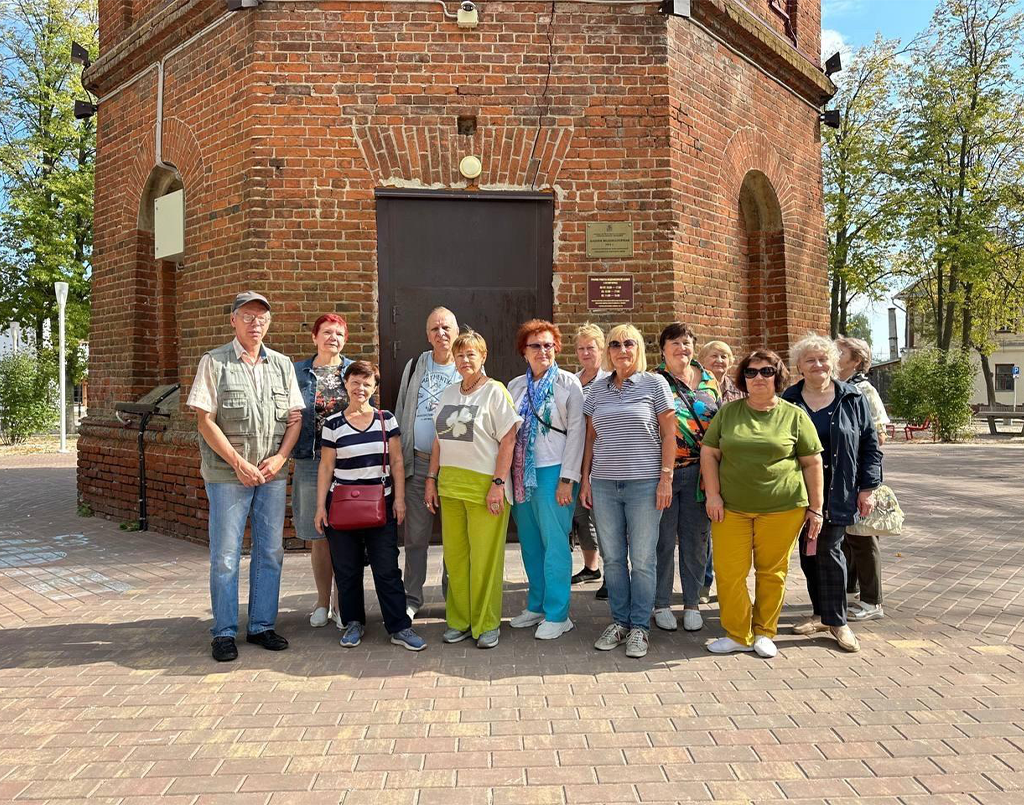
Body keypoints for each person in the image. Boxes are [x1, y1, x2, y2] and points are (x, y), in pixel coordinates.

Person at [187, 291, 304, 663]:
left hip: (271, 473)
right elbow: (204, 420)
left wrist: (281, 457)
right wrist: (238, 462)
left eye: (262, 318)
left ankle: (261, 626)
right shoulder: (214, 362)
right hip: (227, 475)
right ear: (233, 321)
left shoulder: (283, 364)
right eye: (248, 316)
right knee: (225, 555)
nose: (256, 323)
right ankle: (223, 632)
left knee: (270, 551)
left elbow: (295, 418)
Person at [700, 349, 824, 659]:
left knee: (772, 572)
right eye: (752, 372)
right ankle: (738, 633)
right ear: (743, 378)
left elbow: (812, 462)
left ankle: (765, 632)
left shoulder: (794, 415)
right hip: (730, 507)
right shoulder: (728, 413)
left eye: (766, 371)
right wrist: (712, 495)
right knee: (729, 572)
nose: (758, 377)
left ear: (777, 377)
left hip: (783, 508)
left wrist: (816, 507)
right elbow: (709, 454)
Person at [313, 361, 426, 652]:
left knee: (387, 568)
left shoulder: (386, 419)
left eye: (367, 383)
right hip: (342, 506)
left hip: (381, 504)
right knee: (347, 569)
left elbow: (398, 462)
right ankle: (353, 623)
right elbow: (326, 467)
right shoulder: (333, 424)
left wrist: (399, 499)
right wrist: (320, 507)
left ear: (374, 388)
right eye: (355, 382)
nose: (360, 388)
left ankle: (399, 627)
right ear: (346, 385)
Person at [579, 324, 675, 659]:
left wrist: (666, 478)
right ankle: (619, 622)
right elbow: (590, 438)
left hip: (645, 485)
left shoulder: (655, 384)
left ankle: (640, 628)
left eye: (629, 343)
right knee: (614, 559)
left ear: (638, 349)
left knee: (643, 560)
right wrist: (586, 478)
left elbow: (668, 435)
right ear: (608, 350)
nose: (622, 349)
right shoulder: (597, 390)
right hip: (604, 484)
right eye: (615, 344)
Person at [782, 335, 882, 653]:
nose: (818, 365)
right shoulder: (789, 399)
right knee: (808, 552)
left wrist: (868, 488)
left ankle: (837, 621)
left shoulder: (852, 398)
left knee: (829, 549)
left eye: (823, 359)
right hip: (798, 491)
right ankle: (819, 613)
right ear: (799, 366)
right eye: (810, 360)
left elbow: (869, 444)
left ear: (833, 363)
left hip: (840, 488)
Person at [424, 330, 521, 649]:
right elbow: (439, 438)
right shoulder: (449, 393)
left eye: (471, 354)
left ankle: (487, 623)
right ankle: (460, 621)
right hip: (451, 486)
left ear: (483, 356)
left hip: (485, 488)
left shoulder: (496, 392)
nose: (465, 360)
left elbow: (508, 439)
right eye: (460, 354)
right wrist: (431, 479)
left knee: (485, 560)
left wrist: (497, 483)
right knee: (456, 558)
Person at [507, 320, 586, 640]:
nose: (543, 351)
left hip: (555, 472)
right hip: (521, 475)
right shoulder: (514, 386)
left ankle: (558, 613)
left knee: (555, 544)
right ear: (523, 351)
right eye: (536, 346)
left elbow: (578, 434)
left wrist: (568, 478)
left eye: (549, 345)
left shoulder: (569, 384)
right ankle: (537, 604)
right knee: (530, 544)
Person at [653, 323, 720, 633]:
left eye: (687, 343)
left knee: (696, 541)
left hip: (701, 473)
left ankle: (692, 603)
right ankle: (662, 603)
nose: (682, 348)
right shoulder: (653, 380)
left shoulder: (709, 381)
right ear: (663, 349)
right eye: (675, 343)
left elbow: (720, 427)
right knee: (663, 541)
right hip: (663, 471)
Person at [394, 307, 461, 619]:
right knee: (416, 537)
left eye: (446, 327)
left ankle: (455, 597)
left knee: (455, 536)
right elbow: (401, 411)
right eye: (435, 328)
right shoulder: (414, 366)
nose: (441, 334)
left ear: (457, 332)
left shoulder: (467, 366)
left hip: (454, 466)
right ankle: (412, 598)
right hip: (418, 463)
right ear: (427, 335)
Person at [292, 314, 352, 628]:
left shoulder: (354, 370)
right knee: (319, 534)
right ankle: (321, 602)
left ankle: (344, 604)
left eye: (339, 333)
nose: (333, 338)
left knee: (344, 532)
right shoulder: (298, 371)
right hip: (309, 460)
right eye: (327, 332)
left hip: (347, 461)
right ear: (315, 337)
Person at [835, 335, 889, 621]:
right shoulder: (836, 387)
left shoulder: (864, 389)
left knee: (864, 537)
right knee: (848, 535)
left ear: (856, 360)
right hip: (843, 474)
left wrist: (866, 481)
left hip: (860, 476)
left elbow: (878, 437)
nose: (834, 353)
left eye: (840, 351)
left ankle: (872, 600)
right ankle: (851, 588)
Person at [695, 339, 744, 601]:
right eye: (714, 355)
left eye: (725, 356)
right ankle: (704, 582)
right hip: (703, 466)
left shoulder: (739, 394)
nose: (720, 361)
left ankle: (731, 584)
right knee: (704, 530)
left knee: (728, 528)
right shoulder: (695, 390)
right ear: (702, 360)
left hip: (733, 469)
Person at [570, 323, 610, 599]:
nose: (585, 353)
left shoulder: (609, 380)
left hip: (601, 458)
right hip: (574, 456)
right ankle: (591, 567)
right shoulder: (572, 380)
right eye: (581, 348)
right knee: (581, 516)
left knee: (603, 519)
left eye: (590, 348)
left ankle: (613, 575)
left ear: (602, 349)